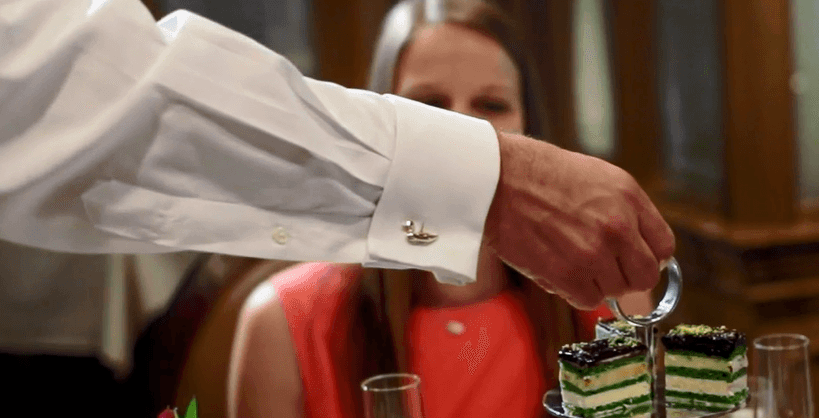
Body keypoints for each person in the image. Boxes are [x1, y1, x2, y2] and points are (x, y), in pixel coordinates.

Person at [228, 0, 649, 418]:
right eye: (428, 106)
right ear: (379, 128)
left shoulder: (609, 305)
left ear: (532, 131)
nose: (462, 131)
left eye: (492, 105)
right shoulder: (280, 322)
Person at [0, 0, 674, 311]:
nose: (463, 120)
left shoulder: (593, 306)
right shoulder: (292, 317)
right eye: (431, 104)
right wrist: (490, 179)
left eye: (493, 106)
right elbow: (106, 92)